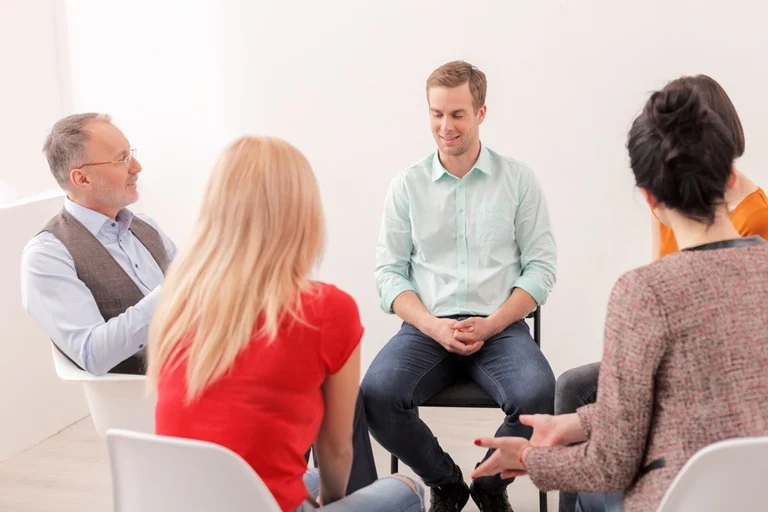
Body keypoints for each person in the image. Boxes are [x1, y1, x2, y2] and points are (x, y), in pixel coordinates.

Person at [471, 79, 768, 512]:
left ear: (648, 197)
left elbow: (611, 464)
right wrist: (578, 422)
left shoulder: (642, 293)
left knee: (595, 495)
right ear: (730, 174)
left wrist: (530, 459)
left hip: (675, 499)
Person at [149, 136, 423, 512]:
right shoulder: (327, 309)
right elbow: (337, 449)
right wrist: (328, 505)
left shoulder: (178, 299)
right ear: (301, 213)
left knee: (304, 477)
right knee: (406, 487)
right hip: (258, 506)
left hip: (182, 502)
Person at [361, 60, 557, 512]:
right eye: (436, 114)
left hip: (501, 327)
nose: (445, 127)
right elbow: (389, 274)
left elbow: (540, 269)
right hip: (427, 330)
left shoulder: (519, 181)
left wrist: (491, 324)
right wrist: (432, 326)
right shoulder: (407, 185)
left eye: (457, 114)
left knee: (538, 394)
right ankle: (446, 482)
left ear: (481, 113)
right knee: (377, 395)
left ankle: (490, 486)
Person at [21, 113, 177, 375]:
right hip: (148, 396)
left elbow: (198, 294)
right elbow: (92, 353)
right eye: (122, 159)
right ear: (82, 179)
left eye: (131, 153)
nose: (136, 167)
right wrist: (173, 292)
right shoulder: (47, 256)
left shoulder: (147, 227)